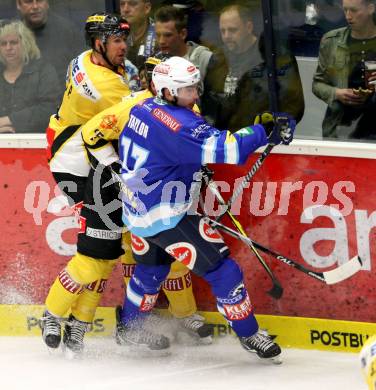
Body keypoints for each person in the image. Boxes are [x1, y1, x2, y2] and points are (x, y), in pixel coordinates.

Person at [114, 56, 295, 360]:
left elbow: (162, 150)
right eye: (187, 90)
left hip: (136, 211)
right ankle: (250, 335)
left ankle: (128, 330)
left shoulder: (141, 108)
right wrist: (264, 131)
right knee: (225, 271)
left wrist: (189, 163)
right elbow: (229, 148)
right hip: (167, 217)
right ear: (168, 91)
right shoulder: (179, 124)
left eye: (195, 87)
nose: (195, 95)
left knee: (151, 270)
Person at [81, 54, 213, 345]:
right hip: (138, 198)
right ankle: (135, 326)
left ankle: (184, 315)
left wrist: (201, 167)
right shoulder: (133, 105)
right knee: (136, 261)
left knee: (178, 259)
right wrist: (118, 171)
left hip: (173, 197)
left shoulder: (188, 104)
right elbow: (91, 134)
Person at [41, 12, 132, 356]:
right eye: (116, 41)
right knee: (99, 251)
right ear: (99, 44)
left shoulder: (84, 59)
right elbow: (137, 121)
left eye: (124, 39)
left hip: (78, 153)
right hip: (80, 165)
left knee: (107, 251)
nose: (124, 46)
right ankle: (55, 314)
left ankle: (77, 324)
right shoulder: (109, 87)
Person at [202, 4, 304, 130]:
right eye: (223, 31)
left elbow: (293, 105)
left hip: (259, 141)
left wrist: (265, 132)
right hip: (225, 141)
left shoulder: (274, 59)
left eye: (232, 30)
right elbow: (208, 102)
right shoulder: (218, 59)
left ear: (249, 27)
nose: (226, 36)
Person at [312, 0, 376, 139]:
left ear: (371, 8)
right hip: (340, 129)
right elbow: (317, 84)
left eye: (353, 10)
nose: (348, 16)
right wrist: (337, 93)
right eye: (345, 10)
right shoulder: (331, 41)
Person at [0, 19, 59, 133]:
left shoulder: (43, 71)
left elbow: (50, 109)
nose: (8, 48)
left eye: (13, 42)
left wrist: (9, 120)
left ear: (25, 43)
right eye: (3, 44)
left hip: (36, 142)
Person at [16, 0, 83, 90]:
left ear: (47, 3)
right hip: (22, 99)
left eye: (40, 1)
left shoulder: (68, 31)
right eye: (28, 1)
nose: (35, 6)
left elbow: (83, 71)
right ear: (18, 4)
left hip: (63, 96)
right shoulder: (9, 35)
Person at [154, 5, 213, 82]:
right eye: (158, 35)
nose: (161, 41)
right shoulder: (156, 60)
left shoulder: (204, 59)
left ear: (183, 34)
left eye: (168, 35)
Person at [119, 0, 156, 69]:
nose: (125, 9)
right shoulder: (115, 35)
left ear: (147, 8)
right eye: (122, 4)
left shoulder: (161, 35)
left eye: (132, 4)